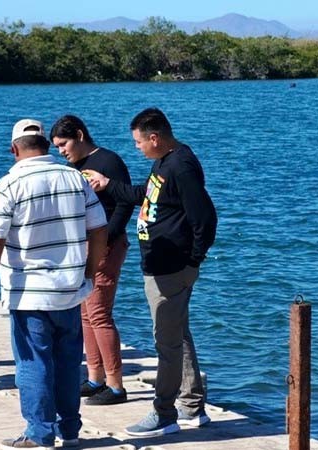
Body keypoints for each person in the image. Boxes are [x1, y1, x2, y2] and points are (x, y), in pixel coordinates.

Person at [0, 119, 108, 450]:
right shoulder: (75, 178)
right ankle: (71, 430)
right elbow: (100, 230)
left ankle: (39, 433)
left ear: (14, 149)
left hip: (28, 293)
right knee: (67, 362)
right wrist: (89, 273)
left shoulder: (8, 184)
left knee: (33, 363)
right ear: (46, 146)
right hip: (69, 290)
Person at [84, 107, 217, 437]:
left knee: (166, 343)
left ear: (155, 138)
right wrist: (109, 185)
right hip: (159, 265)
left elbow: (205, 217)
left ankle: (164, 413)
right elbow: (149, 193)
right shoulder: (164, 163)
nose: (137, 148)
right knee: (178, 334)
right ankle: (193, 405)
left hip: (172, 269)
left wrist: (192, 261)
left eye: (138, 142)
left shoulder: (182, 165)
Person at [50, 115, 134, 406]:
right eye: (57, 147)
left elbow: (124, 205)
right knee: (84, 313)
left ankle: (116, 385)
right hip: (83, 248)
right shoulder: (74, 167)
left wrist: (106, 241)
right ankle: (95, 377)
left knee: (99, 312)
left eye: (64, 144)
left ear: (80, 135)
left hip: (107, 245)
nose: (61, 151)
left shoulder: (109, 161)